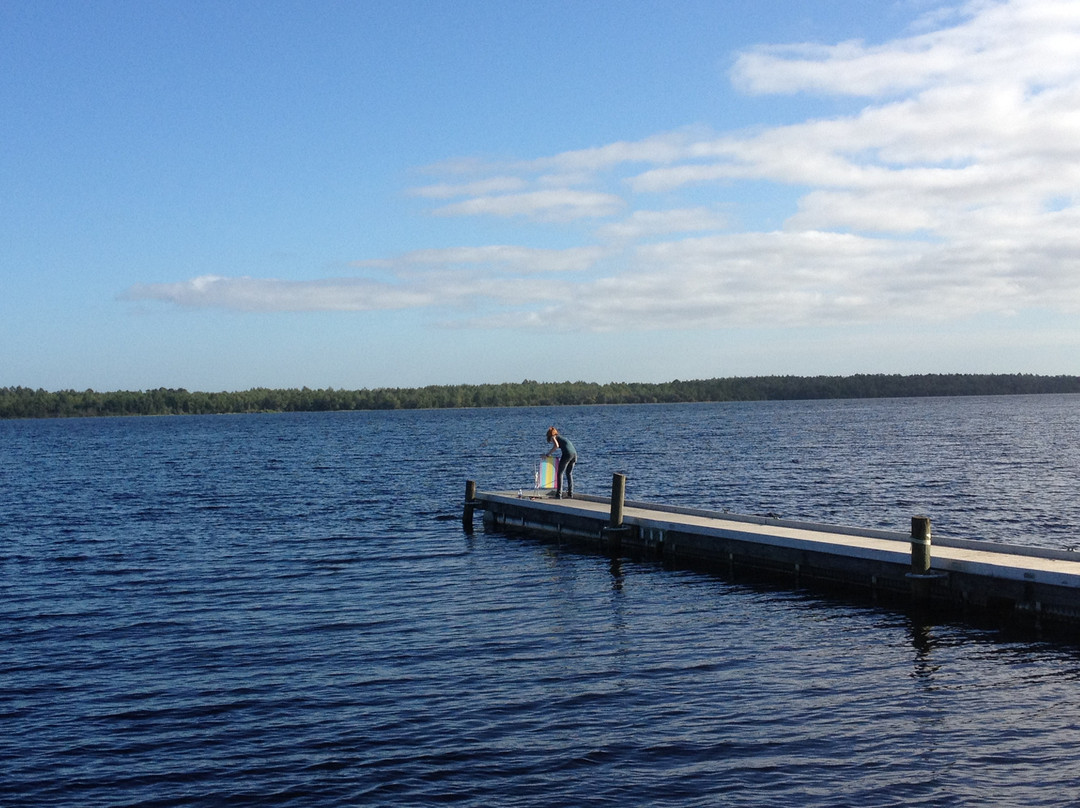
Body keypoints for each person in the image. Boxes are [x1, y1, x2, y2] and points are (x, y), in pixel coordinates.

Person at [545, 426, 577, 499]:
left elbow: (556, 446)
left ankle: (558, 494)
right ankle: (570, 494)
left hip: (567, 454)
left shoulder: (554, 437)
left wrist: (548, 454)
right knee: (569, 473)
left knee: (560, 473)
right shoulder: (561, 437)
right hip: (574, 454)